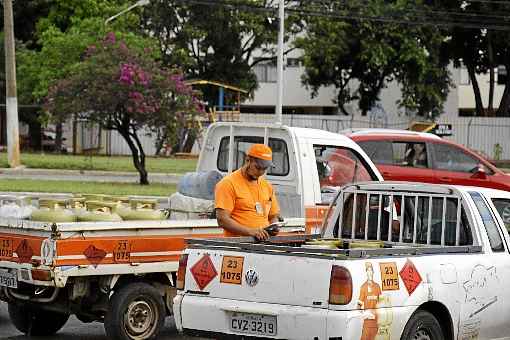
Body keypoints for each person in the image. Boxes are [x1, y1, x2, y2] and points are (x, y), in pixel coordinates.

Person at [214, 144, 281, 241]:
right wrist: (250, 231)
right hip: (239, 245)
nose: (261, 172)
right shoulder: (228, 184)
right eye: (258, 167)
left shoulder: (267, 186)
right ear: (248, 160)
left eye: (264, 169)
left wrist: (274, 227)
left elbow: (273, 216)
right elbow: (222, 220)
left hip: (264, 243)